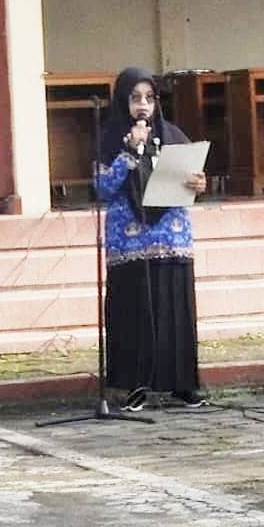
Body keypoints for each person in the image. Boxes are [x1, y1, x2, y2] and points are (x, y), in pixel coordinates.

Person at [94, 67, 209, 412]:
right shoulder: (109, 138)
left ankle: (182, 383)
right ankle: (134, 385)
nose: (142, 105)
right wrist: (130, 151)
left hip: (171, 236)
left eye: (149, 98)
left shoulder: (173, 135)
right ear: (122, 101)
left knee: (174, 309)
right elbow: (102, 188)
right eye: (134, 98)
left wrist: (199, 184)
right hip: (130, 241)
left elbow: (192, 180)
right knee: (135, 311)